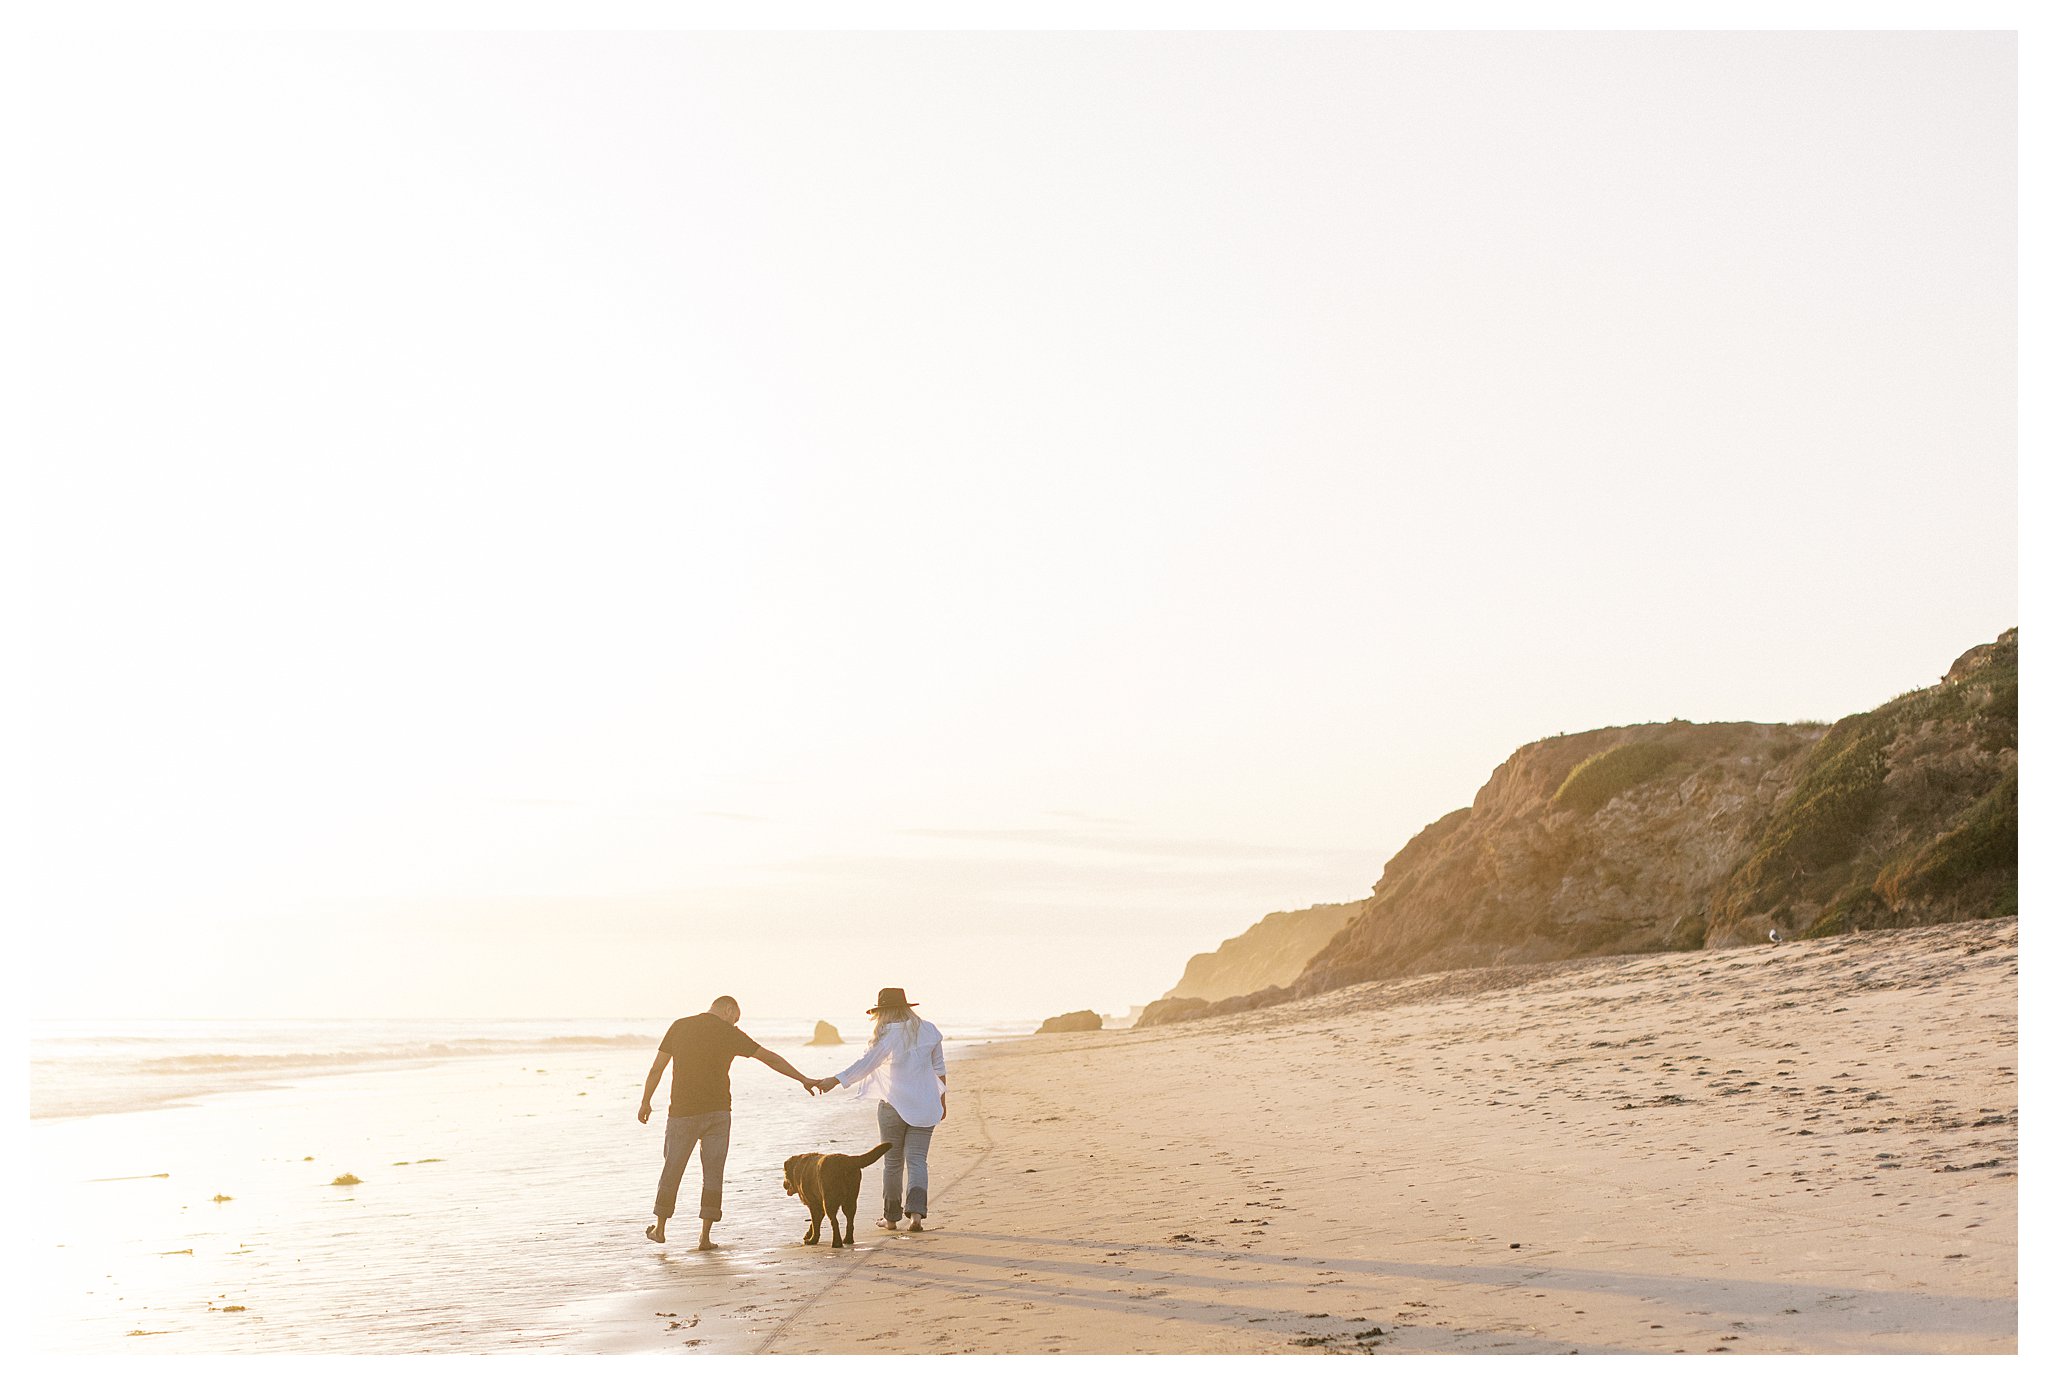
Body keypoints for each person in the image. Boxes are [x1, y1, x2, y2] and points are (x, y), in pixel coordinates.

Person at [638, 994, 821, 1249]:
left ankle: (660, 1229)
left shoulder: (680, 1026)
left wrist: (645, 1101)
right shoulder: (730, 1034)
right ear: (727, 1009)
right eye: (735, 1019)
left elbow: (657, 1068)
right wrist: (803, 1079)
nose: (735, 1024)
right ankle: (704, 1237)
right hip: (718, 1114)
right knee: (713, 1174)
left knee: (672, 1169)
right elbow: (770, 1058)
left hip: (682, 1113)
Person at [812, 987, 946, 1233]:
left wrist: (836, 1080)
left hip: (893, 1105)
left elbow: (866, 1064)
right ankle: (916, 1215)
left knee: (893, 1163)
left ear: (883, 1011)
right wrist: (941, 1100)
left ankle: (891, 1218)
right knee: (917, 1160)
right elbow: (939, 1068)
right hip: (926, 1104)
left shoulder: (888, 1035)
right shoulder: (930, 1030)